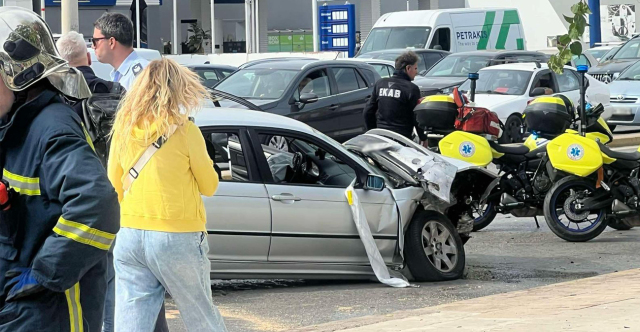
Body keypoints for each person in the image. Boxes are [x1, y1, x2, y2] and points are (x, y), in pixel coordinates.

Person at [0, 6, 119, 331]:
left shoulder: (51, 128)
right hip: (23, 312)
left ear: (17, 74)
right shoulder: (15, 127)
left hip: (51, 314)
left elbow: (97, 206)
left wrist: (41, 277)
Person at [108, 58, 227, 332]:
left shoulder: (123, 130)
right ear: (179, 90)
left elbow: (114, 184)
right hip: (177, 234)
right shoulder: (186, 131)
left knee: (131, 321)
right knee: (201, 315)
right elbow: (210, 186)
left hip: (130, 232)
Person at [92, 13, 162, 332]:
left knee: (137, 284)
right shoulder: (131, 72)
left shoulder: (136, 77)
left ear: (111, 42)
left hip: (139, 191)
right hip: (137, 190)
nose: (93, 48)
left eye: (95, 41)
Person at [363, 51, 427, 142]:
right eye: (415, 68)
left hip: (381, 136)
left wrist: (373, 132)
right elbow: (416, 117)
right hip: (402, 139)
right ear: (408, 68)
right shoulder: (412, 88)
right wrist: (423, 137)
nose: (416, 72)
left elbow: (367, 112)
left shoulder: (380, 83)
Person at [92, 12, 149, 91]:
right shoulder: (118, 74)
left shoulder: (142, 74)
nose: (93, 46)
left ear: (111, 42)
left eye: (95, 41)